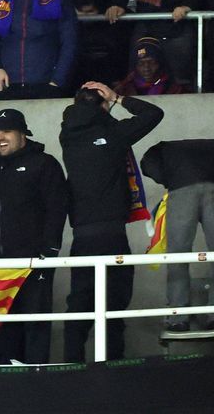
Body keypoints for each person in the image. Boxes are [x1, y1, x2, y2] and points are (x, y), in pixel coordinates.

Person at [60, 81, 163, 361]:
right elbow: (154, 114)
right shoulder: (113, 133)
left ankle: (72, 367)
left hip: (82, 236)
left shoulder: (67, 135)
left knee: (80, 305)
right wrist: (118, 98)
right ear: (103, 105)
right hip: (112, 235)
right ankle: (112, 369)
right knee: (113, 306)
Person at [0, 108, 66, 364]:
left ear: (22, 133)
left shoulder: (44, 164)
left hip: (34, 266)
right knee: (1, 331)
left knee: (35, 327)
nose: (1, 136)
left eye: (7, 131)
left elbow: (56, 208)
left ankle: (36, 385)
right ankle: (7, 389)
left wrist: (49, 253)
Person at [141, 137, 214, 338]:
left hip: (181, 189)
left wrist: (168, 178)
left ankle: (178, 318)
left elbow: (147, 163)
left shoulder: (163, 148)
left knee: (177, 254)